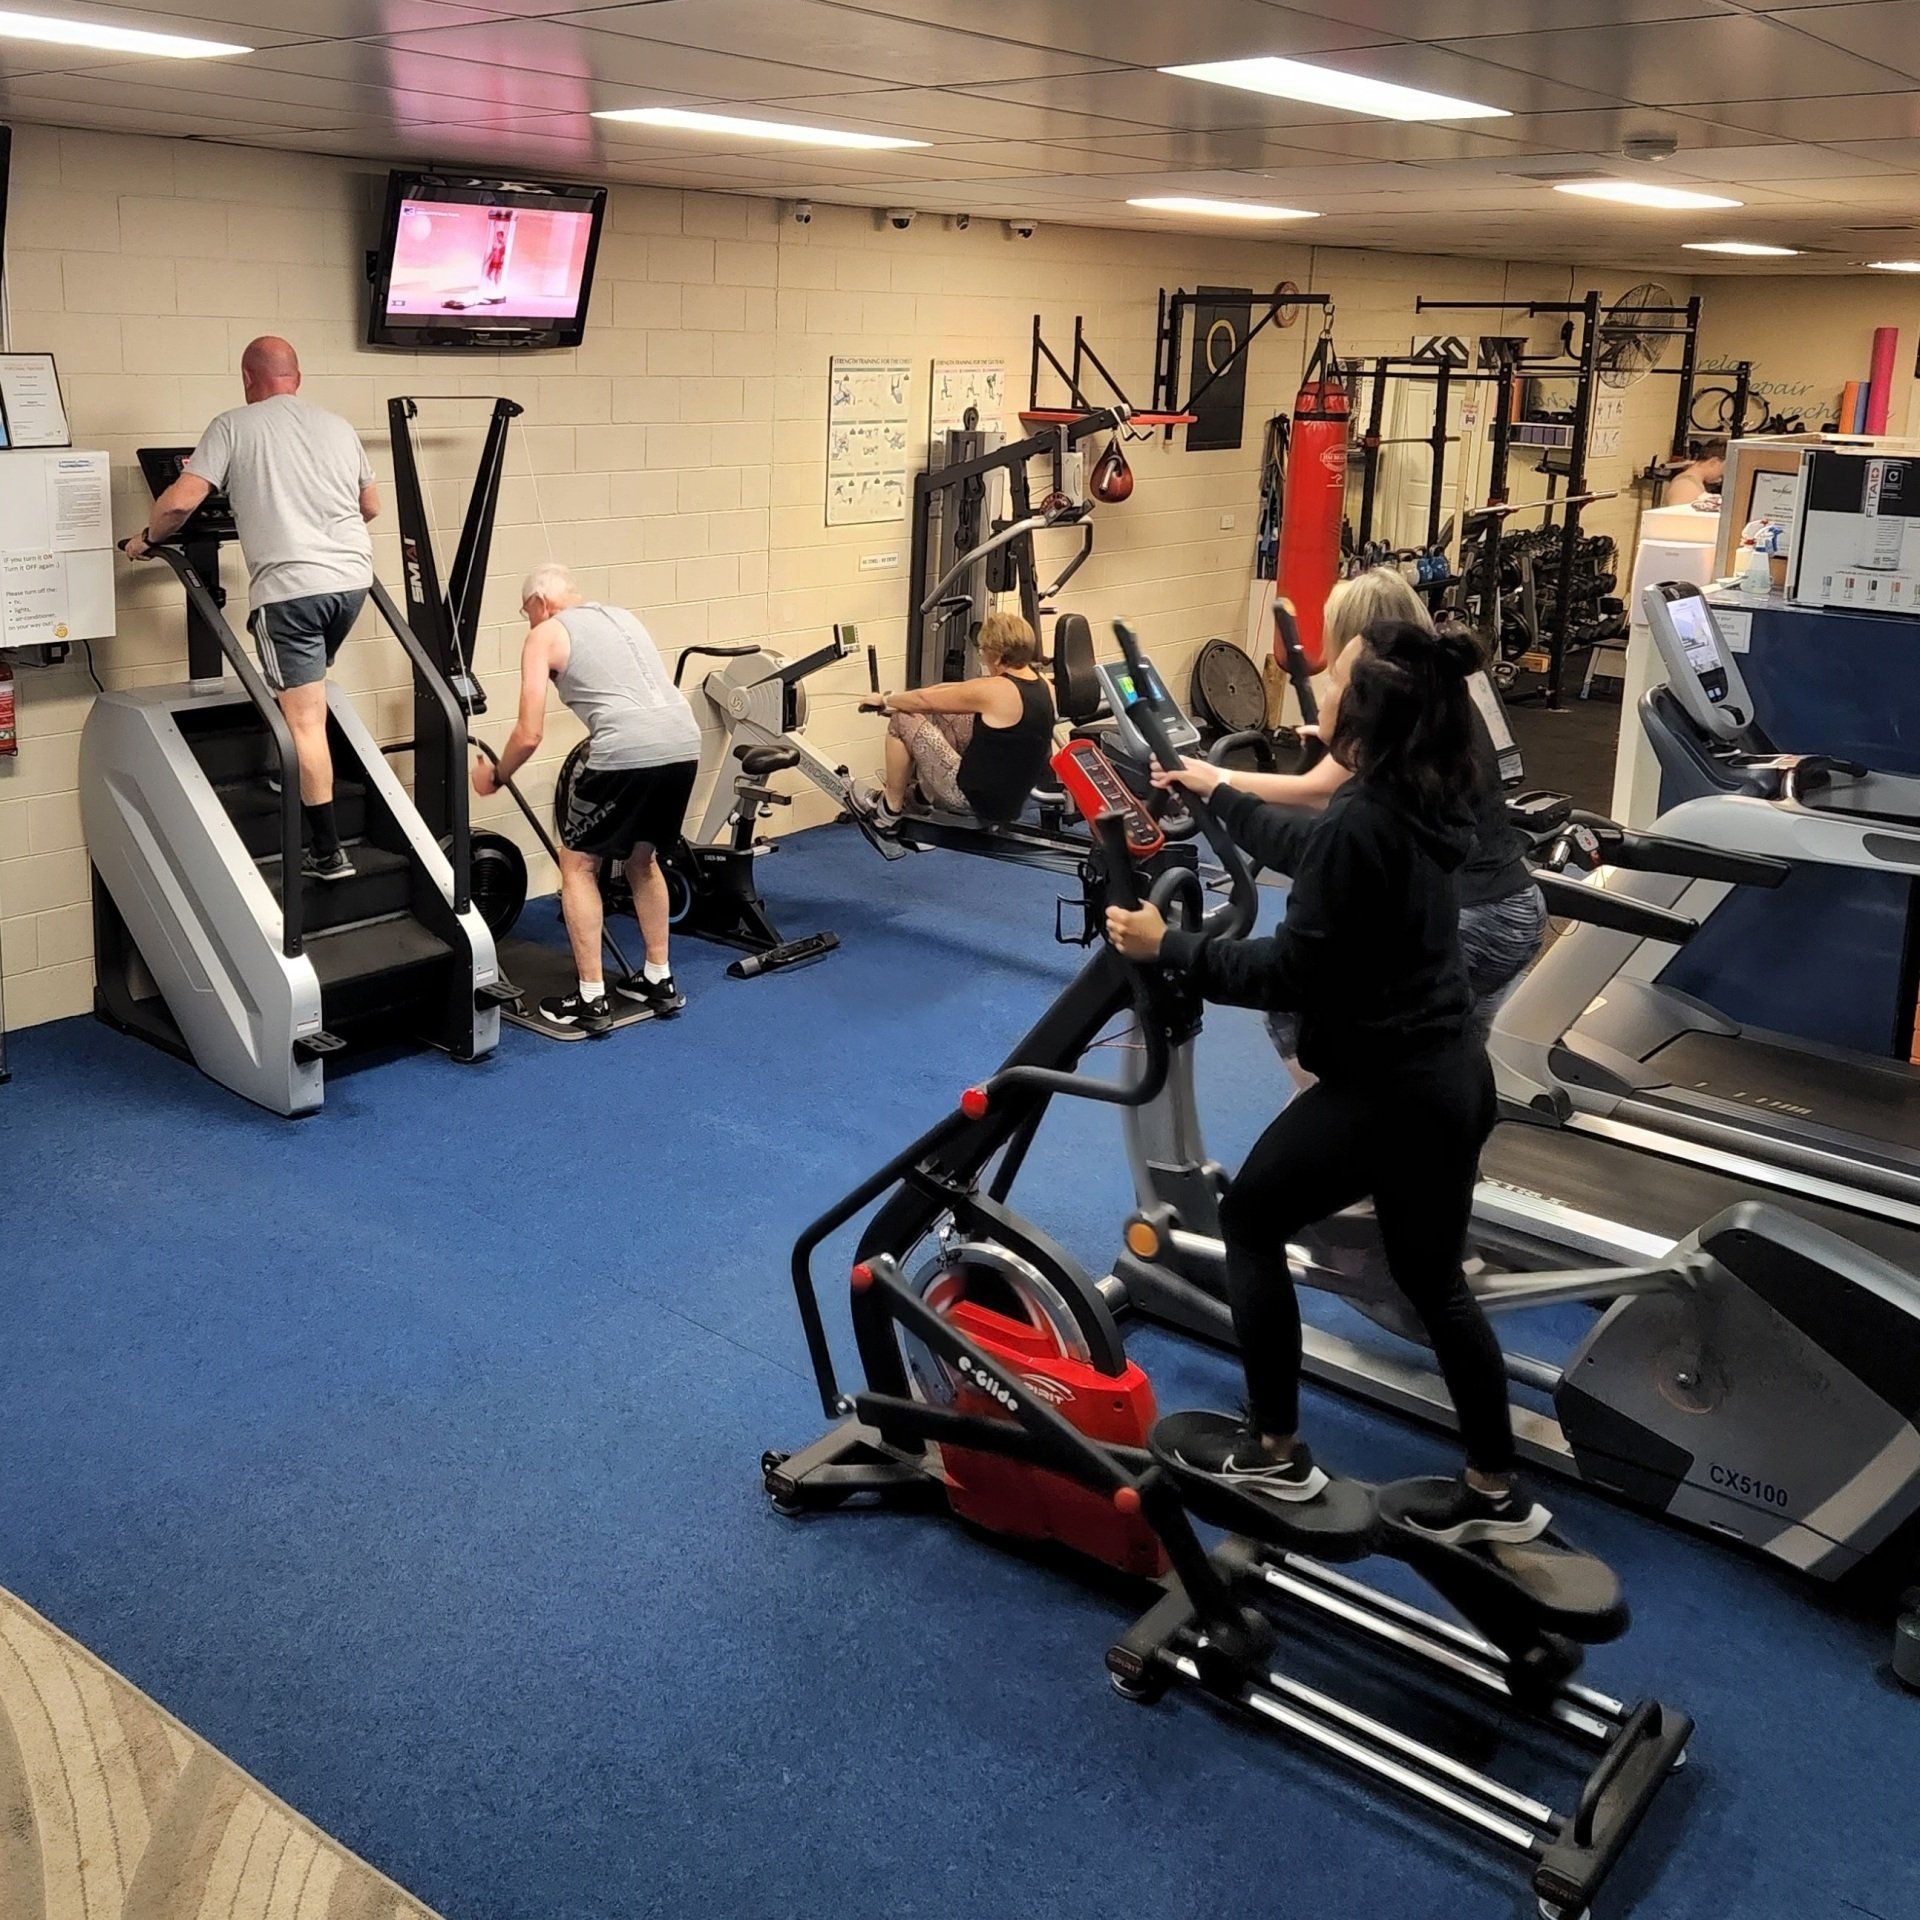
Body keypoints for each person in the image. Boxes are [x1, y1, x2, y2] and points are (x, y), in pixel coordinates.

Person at [1106, 618, 1547, 1546]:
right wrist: (1216, 790)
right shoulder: (1423, 795)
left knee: (1251, 1219)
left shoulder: (1364, 817)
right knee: (1433, 1277)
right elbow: (1313, 850)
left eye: (1334, 679)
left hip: (1387, 1093)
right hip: (1452, 1081)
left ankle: (1274, 1449)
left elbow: (1284, 975)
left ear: (1367, 711)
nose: (1320, 689)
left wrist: (1168, 946)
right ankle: (1497, 1492)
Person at [1162, 569, 1546, 1050]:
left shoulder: (1381, 766)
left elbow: (1315, 793)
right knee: (1448, 1050)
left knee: (1300, 1013)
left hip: (1476, 917)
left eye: (1339, 677)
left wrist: (1215, 779)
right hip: (1513, 904)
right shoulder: (1435, 705)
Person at [125, 336, 379, 883]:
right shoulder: (337, 425)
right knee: (298, 692)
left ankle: (328, 852)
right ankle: (285, 770)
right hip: (352, 583)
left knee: (305, 718)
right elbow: (370, 505)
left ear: (247, 377)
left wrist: (147, 538)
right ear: (298, 377)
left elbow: (179, 502)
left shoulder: (233, 425)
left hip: (289, 591)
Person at [474, 565, 702, 1033]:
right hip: (683, 743)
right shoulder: (622, 617)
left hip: (627, 748)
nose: (528, 622)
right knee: (644, 858)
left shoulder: (544, 634)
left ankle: (590, 997)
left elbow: (529, 733)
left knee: (577, 863)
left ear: (539, 602)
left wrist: (497, 775)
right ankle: (658, 979)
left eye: (525, 613)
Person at [858, 609, 1055, 829]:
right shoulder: (1043, 684)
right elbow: (953, 692)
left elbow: (923, 701)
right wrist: (900, 698)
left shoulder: (997, 690)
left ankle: (889, 808)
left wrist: (887, 699)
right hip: (1009, 801)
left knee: (901, 720)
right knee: (949, 712)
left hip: (969, 799)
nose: (981, 655)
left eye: (983, 650)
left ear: (998, 656)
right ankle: (922, 798)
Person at [1664, 435, 1726, 506]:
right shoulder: (1686, 485)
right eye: (1723, 469)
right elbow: (1677, 515)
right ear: (1713, 463)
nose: (1721, 477)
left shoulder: (1694, 482)